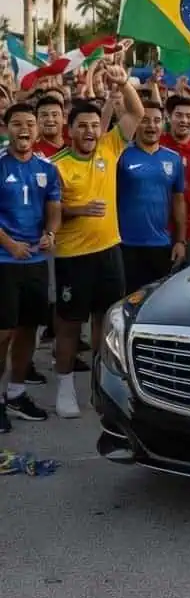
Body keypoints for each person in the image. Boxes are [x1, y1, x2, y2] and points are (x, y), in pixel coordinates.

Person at [51, 64, 143, 419]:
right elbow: (51, 212)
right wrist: (77, 208)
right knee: (70, 325)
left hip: (109, 252)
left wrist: (123, 83)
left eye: (93, 125)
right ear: (69, 130)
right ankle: (64, 388)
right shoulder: (55, 165)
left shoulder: (109, 148)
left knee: (105, 324)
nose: (89, 131)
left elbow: (135, 112)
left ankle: (99, 386)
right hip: (73, 257)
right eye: (82, 126)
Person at [0, 103, 61, 432]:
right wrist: (9, 243)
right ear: (7, 127)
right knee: (3, 333)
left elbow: (54, 207)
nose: (24, 129)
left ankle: (17, 393)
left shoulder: (47, 167)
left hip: (36, 261)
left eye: (30, 123)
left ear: (37, 130)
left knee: (28, 330)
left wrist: (50, 233)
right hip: (4, 261)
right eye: (17, 123)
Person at [117, 101, 187, 293]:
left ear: (163, 124)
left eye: (157, 121)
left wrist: (180, 241)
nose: (152, 126)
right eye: (145, 120)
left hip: (161, 245)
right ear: (136, 123)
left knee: (156, 302)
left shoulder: (173, 158)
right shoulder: (122, 156)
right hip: (126, 245)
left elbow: (178, 201)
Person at [160, 94, 190, 265]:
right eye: (178, 115)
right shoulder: (157, 145)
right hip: (160, 230)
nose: (184, 120)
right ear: (169, 118)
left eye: (189, 116)